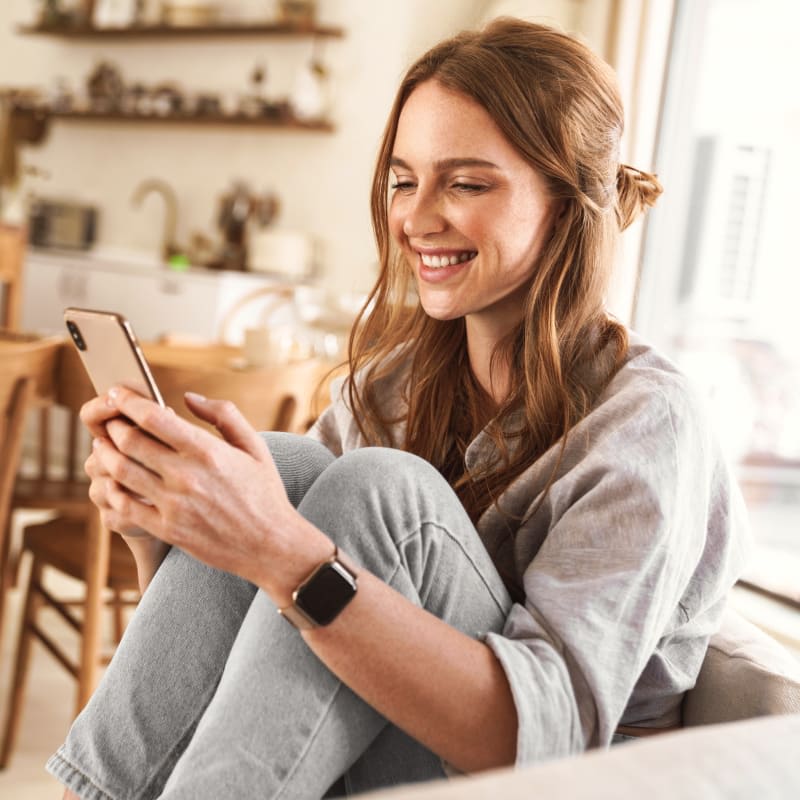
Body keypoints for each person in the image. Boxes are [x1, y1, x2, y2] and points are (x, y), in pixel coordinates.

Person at [49, 17, 750, 800]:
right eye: (403, 179)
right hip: (360, 750)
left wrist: (282, 554)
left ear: (565, 200)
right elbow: (249, 646)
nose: (417, 218)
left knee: (386, 495)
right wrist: (163, 532)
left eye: (467, 182)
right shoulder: (393, 382)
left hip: (546, 781)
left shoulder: (648, 425)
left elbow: (545, 743)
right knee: (284, 470)